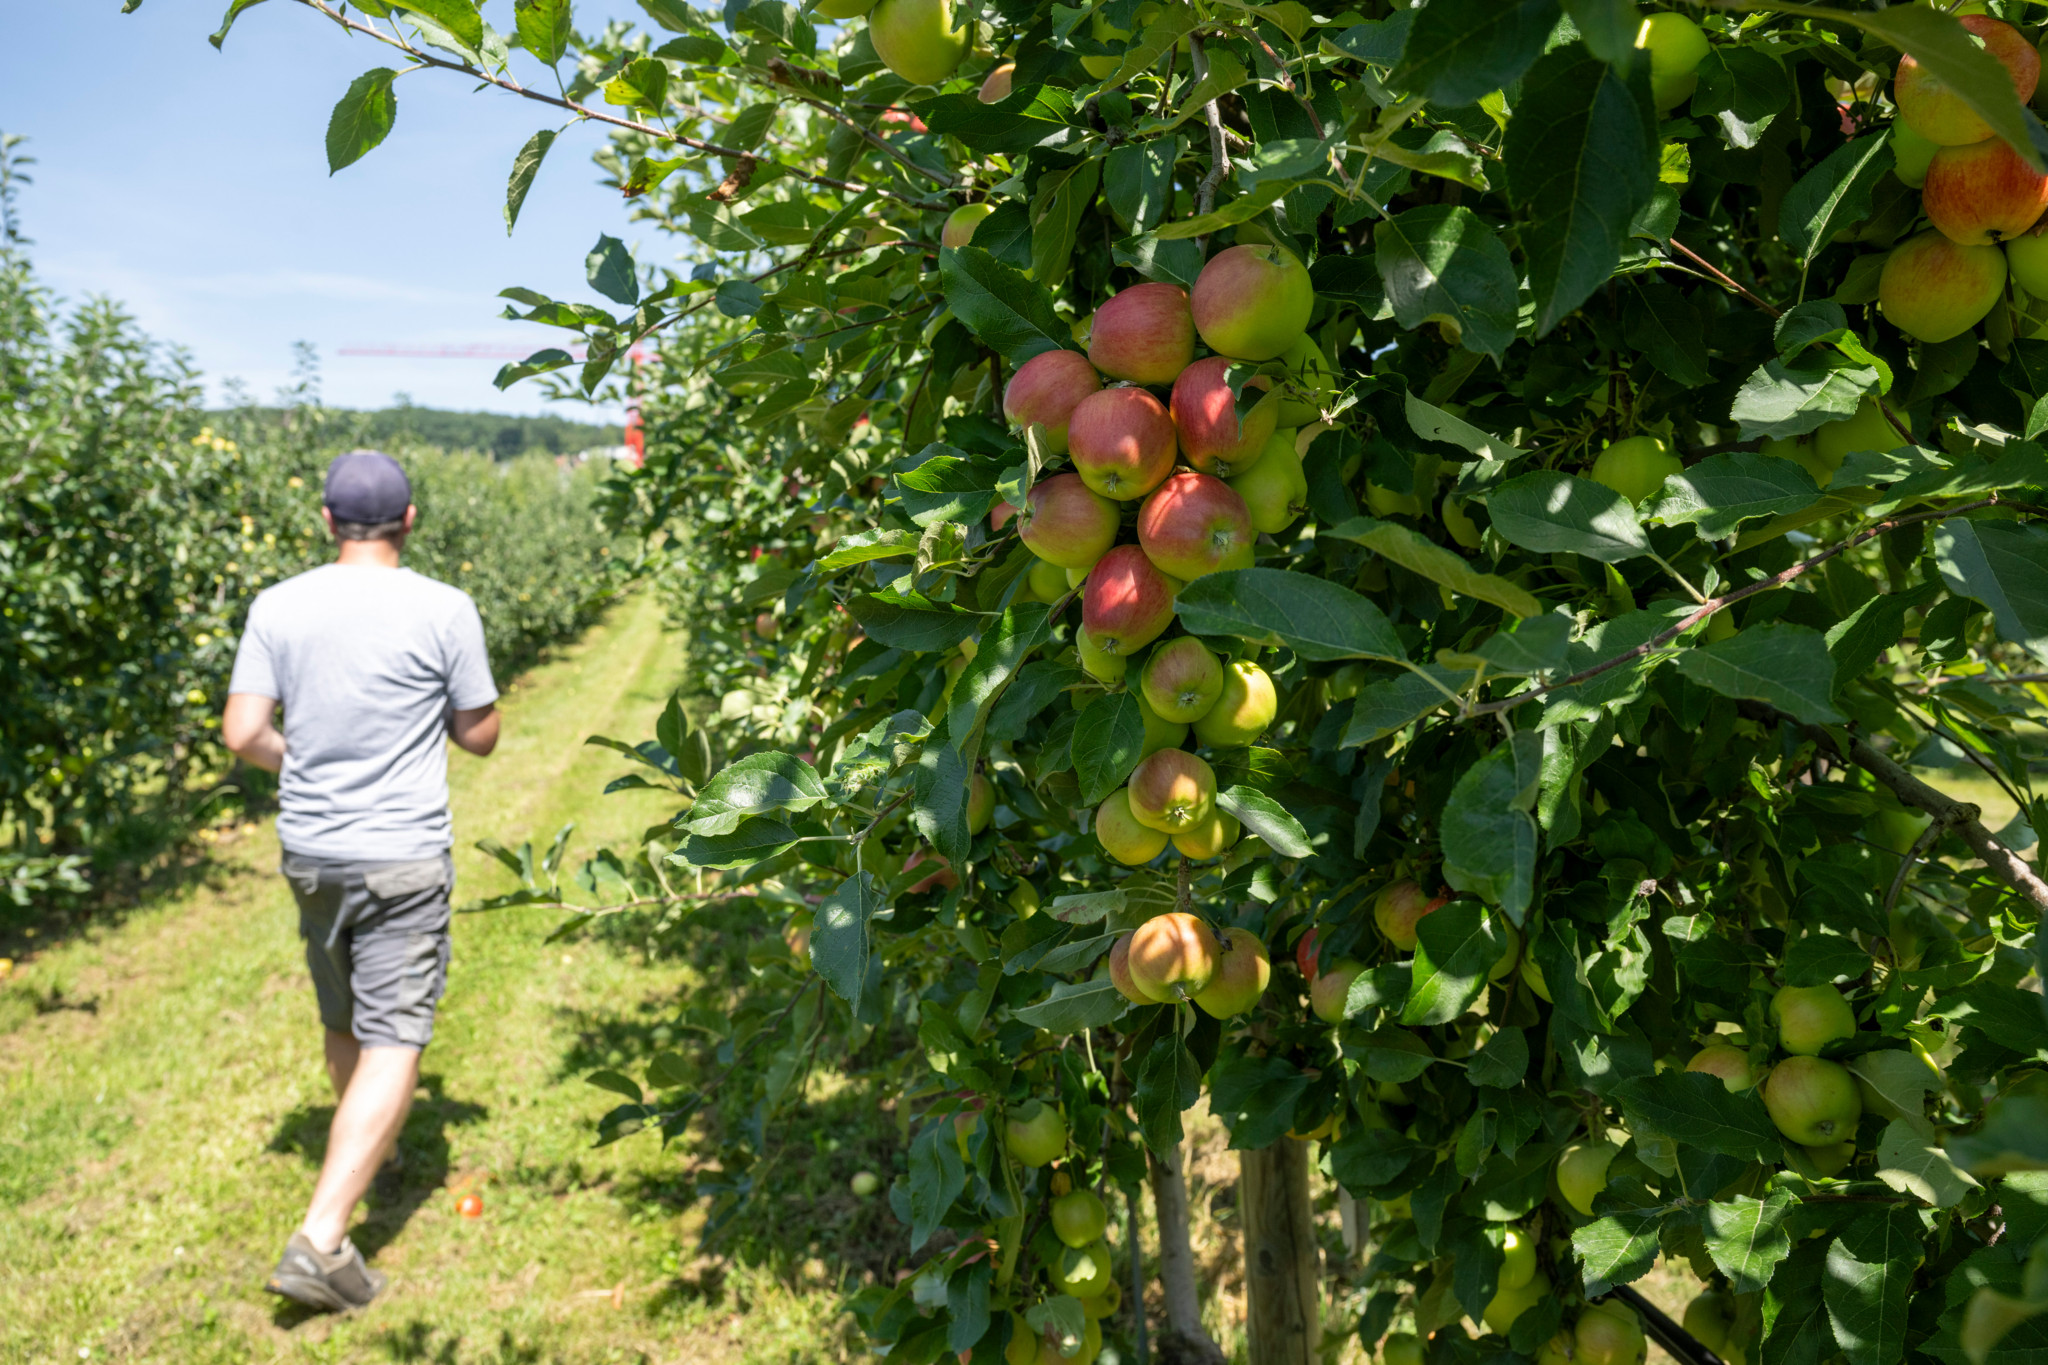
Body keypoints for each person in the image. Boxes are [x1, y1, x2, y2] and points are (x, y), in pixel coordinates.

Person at [222, 449, 500, 1313]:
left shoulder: (279, 604)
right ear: (411, 519)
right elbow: (480, 733)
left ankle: (363, 1148)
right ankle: (323, 1236)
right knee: (396, 1034)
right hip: (401, 852)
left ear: (326, 521)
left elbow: (242, 733)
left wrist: (295, 758)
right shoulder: (443, 607)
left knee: (345, 1014)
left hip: (312, 848)